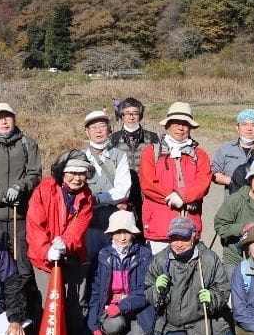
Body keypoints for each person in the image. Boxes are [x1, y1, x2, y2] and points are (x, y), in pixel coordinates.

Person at [26, 150, 94, 335]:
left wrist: (65, 243)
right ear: (61, 173)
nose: (77, 178)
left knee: (76, 303)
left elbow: (79, 227)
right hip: (44, 258)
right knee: (51, 303)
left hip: (73, 254)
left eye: (82, 173)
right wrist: (48, 250)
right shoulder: (44, 191)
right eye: (72, 172)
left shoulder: (87, 196)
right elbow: (35, 226)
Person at [143, 216, 237, 335]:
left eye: (184, 238)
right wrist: (157, 290)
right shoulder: (160, 260)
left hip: (203, 319)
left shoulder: (209, 259)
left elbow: (222, 289)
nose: (179, 244)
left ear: (194, 237)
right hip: (172, 322)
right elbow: (148, 288)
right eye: (174, 238)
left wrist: (212, 298)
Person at [0, 102, 42, 292]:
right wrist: (1, 196)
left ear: (14, 119)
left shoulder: (28, 144)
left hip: (21, 216)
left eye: (7, 116)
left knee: (24, 264)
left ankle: (25, 309)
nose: (4, 121)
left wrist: (20, 187)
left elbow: (35, 174)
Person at [138, 102, 212, 254]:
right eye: (176, 123)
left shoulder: (200, 154)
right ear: (167, 126)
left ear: (190, 128)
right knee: (159, 274)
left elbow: (203, 182)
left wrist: (183, 196)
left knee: (187, 273)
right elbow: (147, 183)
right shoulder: (151, 152)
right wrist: (172, 196)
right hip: (159, 226)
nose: (180, 128)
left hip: (189, 225)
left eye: (185, 124)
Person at [87, 211, 153, 335]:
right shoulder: (102, 256)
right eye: (117, 232)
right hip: (110, 310)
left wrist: (122, 307)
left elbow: (146, 291)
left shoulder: (144, 255)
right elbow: (95, 293)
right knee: (115, 324)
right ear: (111, 233)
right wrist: (94, 327)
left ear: (133, 233)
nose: (122, 237)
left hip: (136, 310)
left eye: (127, 232)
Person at [81, 110, 131, 275]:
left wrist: (96, 198)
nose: (98, 130)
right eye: (93, 127)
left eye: (102, 125)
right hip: (88, 222)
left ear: (109, 129)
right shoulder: (80, 158)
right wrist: (110, 198)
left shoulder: (120, 156)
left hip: (114, 221)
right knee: (89, 264)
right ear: (86, 131)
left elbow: (123, 189)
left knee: (115, 265)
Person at [110, 97, 160, 226]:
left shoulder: (152, 137)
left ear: (140, 115)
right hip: (123, 192)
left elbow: (159, 165)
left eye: (135, 113)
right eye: (127, 113)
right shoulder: (114, 139)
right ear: (121, 115)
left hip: (146, 191)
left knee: (146, 225)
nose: (131, 117)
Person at [211, 108, 254, 193]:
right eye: (244, 124)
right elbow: (213, 172)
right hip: (232, 199)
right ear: (237, 128)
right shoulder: (226, 148)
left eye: (253, 125)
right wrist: (231, 181)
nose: (249, 129)